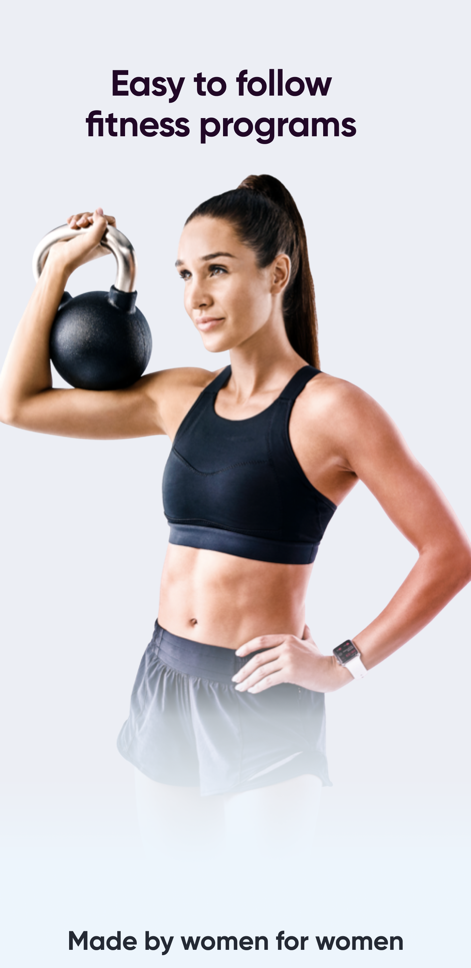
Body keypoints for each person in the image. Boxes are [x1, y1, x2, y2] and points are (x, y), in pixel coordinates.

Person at [1, 175, 470, 861]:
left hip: (259, 698)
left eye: (217, 271)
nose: (195, 296)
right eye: (185, 274)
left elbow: (447, 553)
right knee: (176, 916)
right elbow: (20, 404)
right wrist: (59, 270)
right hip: (162, 679)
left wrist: (343, 665)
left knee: (256, 921)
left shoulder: (333, 410)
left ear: (276, 272)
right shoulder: (179, 396)